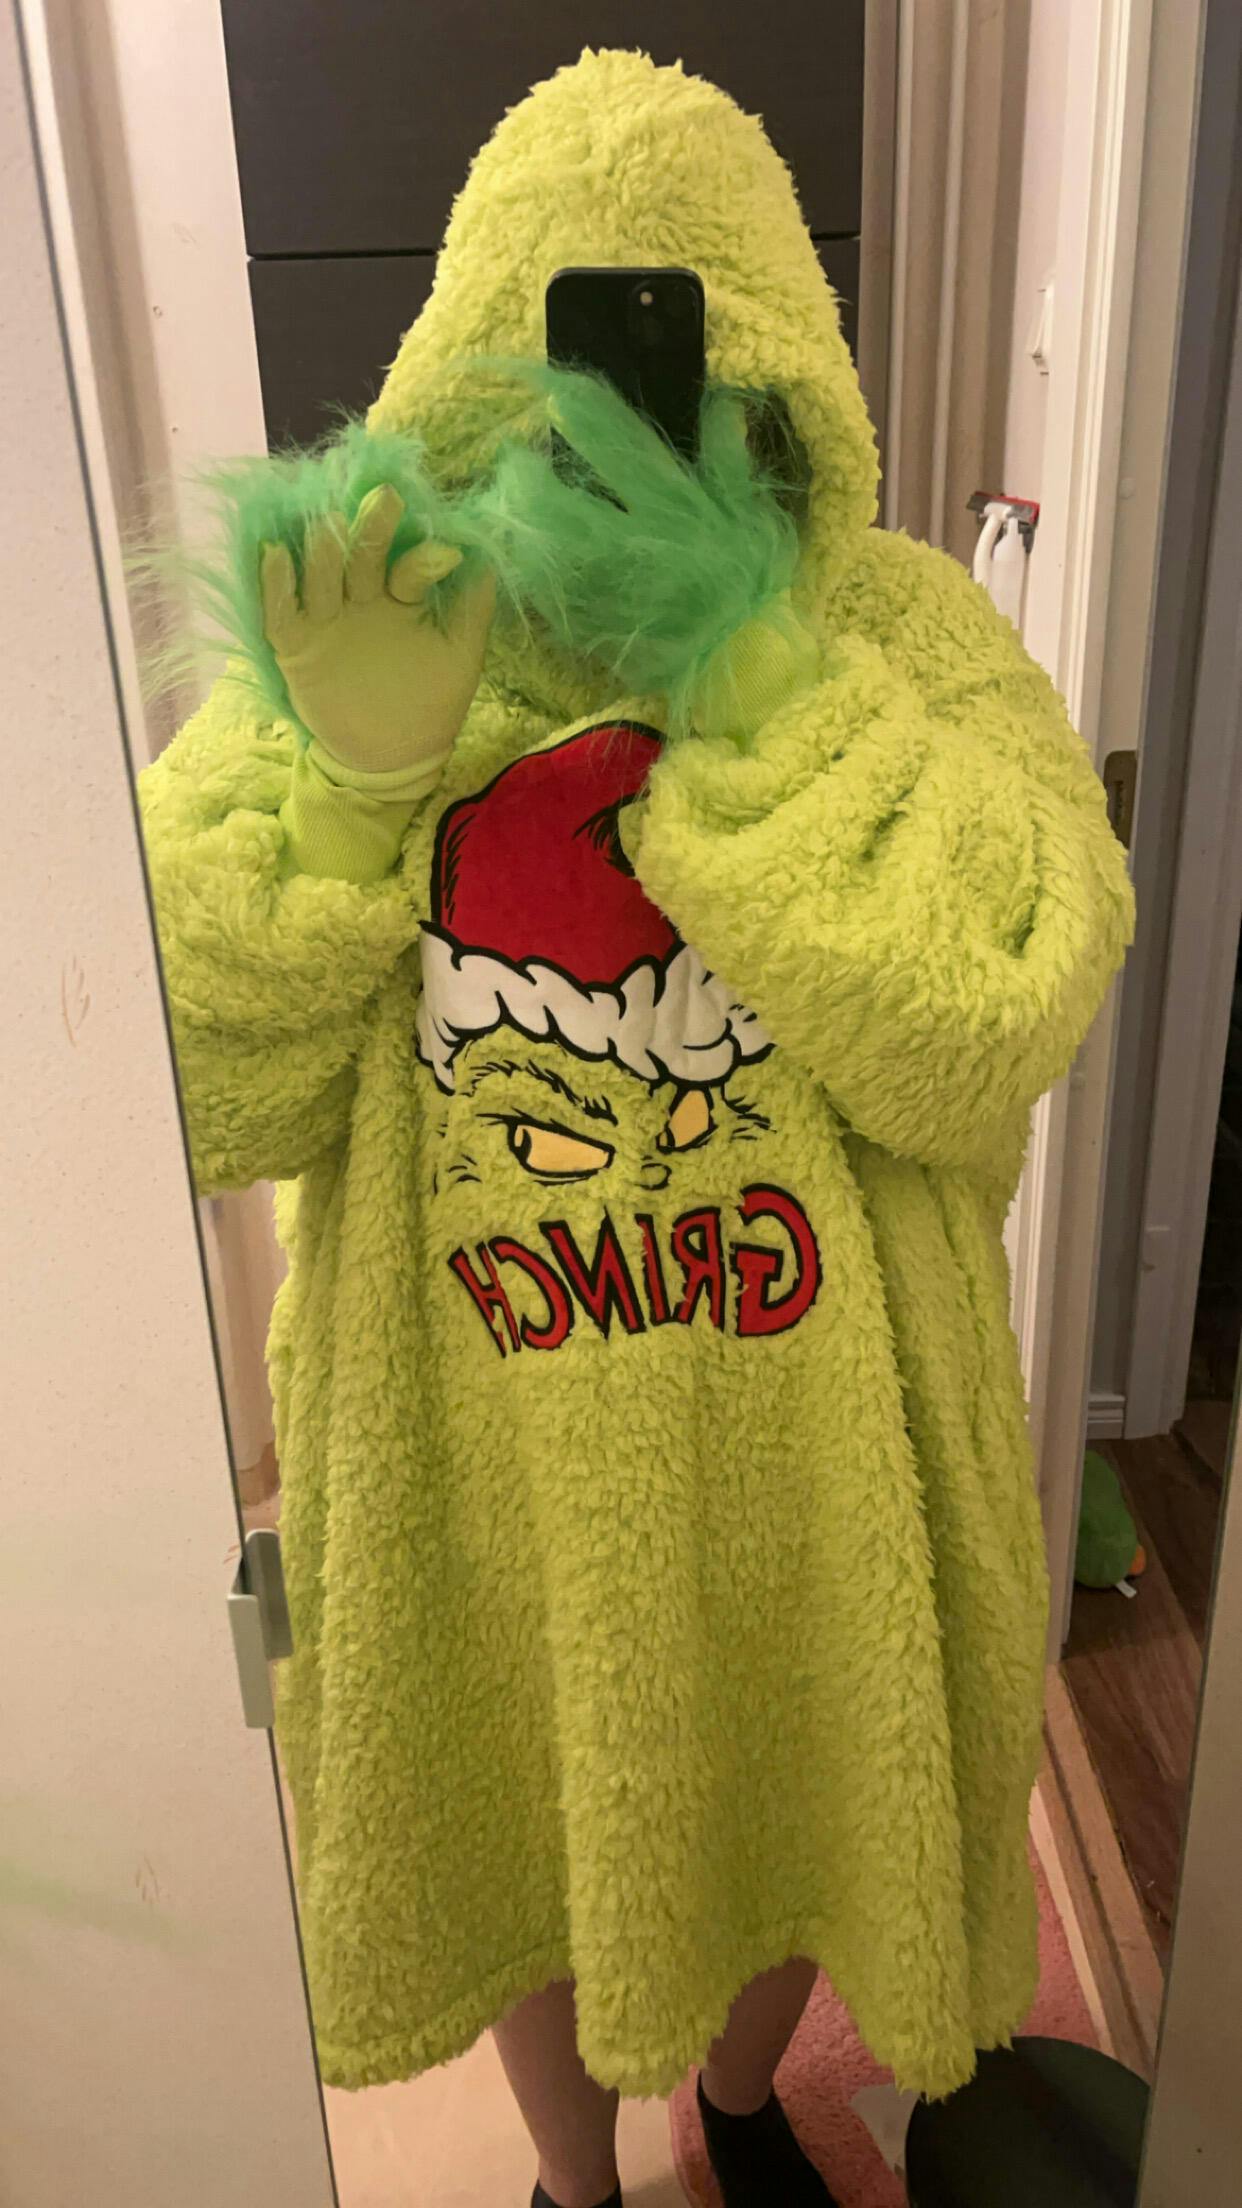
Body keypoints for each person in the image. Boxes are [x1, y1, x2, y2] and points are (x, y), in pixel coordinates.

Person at [138, 50, 1135, 2208]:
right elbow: (188, 1080)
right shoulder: (380, 623)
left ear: (787, 389)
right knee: (517, 1829)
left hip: (816, 1453)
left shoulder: (894, 630)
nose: (615, 436)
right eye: (548, 392)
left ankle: (749, 2117)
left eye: (695, 388)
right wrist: (348, 792)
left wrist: (767, 696)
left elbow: (1002, 1005)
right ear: (464, 383)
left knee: (801, 1793)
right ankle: (574, 2185)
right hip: (479, 1459)